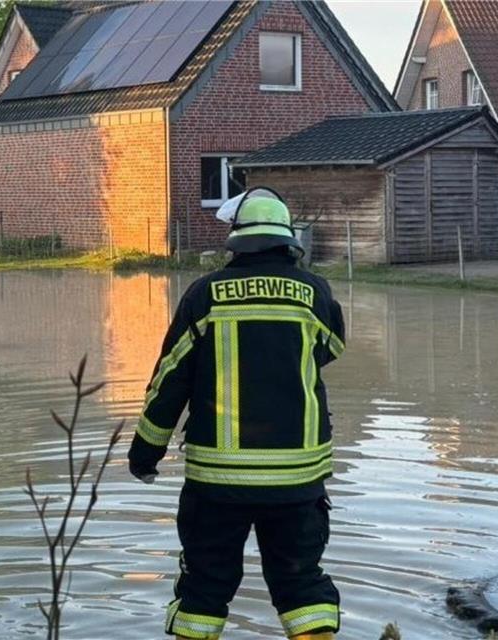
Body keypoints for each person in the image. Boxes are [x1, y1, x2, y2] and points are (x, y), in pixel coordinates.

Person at [128, 187, 345, 640]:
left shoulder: (204, 296)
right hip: (297, 482)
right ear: (289, 241)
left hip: (217, 484)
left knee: (204, 590)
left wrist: (144, 454)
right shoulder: (314, 294)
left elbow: (170, 381)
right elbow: (330, 349)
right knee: (302, 586)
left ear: (236, 239)